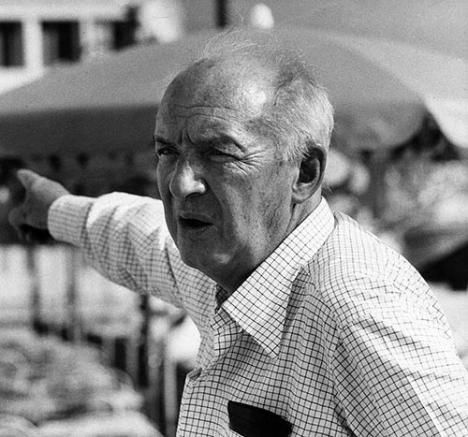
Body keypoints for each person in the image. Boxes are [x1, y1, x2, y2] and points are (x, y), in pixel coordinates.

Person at [9, 41, 468, 436]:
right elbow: (143, 237)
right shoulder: (231, 265)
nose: (181, 183)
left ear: (305, 173)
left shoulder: (354, 307)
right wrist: (56, 210)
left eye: (219, 153)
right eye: (168, 151)